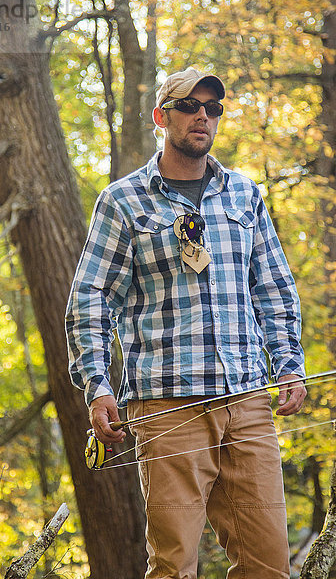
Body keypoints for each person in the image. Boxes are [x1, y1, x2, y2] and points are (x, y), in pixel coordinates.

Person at [65, 67, 307, 579]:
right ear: (161, 116)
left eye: (213, 108)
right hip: (167, 407)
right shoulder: (123, 201)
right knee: (175, 567)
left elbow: (274, 289)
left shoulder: (244, 194)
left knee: (269, 566)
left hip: (246, 402)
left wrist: (287, 363)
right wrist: (97, 387)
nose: (203, 116)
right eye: (189, 106)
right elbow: (89, 299)